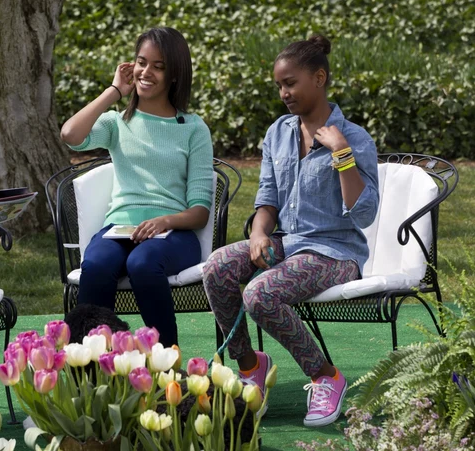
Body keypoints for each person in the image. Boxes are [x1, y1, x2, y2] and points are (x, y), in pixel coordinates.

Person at [202, 34, 379, 427]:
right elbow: (267, 199)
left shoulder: (354, 138)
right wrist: (259, 234)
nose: (284, 92)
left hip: (336, 253)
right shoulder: (278, 133)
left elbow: (364, 213)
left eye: (291, 83)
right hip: (289, 244)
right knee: (216, 267)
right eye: (279, 85)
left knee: (260, 293)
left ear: (319, 78)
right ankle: (250, 367)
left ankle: (325, 376)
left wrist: (341, 153)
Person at [60, 27, 214, 348]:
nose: (146, 72)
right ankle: (90, 365)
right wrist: (114, 91)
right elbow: (71, 134)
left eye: (158, 66)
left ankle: (166, 362)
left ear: (174, 75)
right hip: (120, 230)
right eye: (141, 62)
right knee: (97, 263)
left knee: (142, 263)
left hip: (173, 236)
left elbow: (199, 212)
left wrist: (164, 221)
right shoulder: (117, 123)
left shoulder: (193, 128)